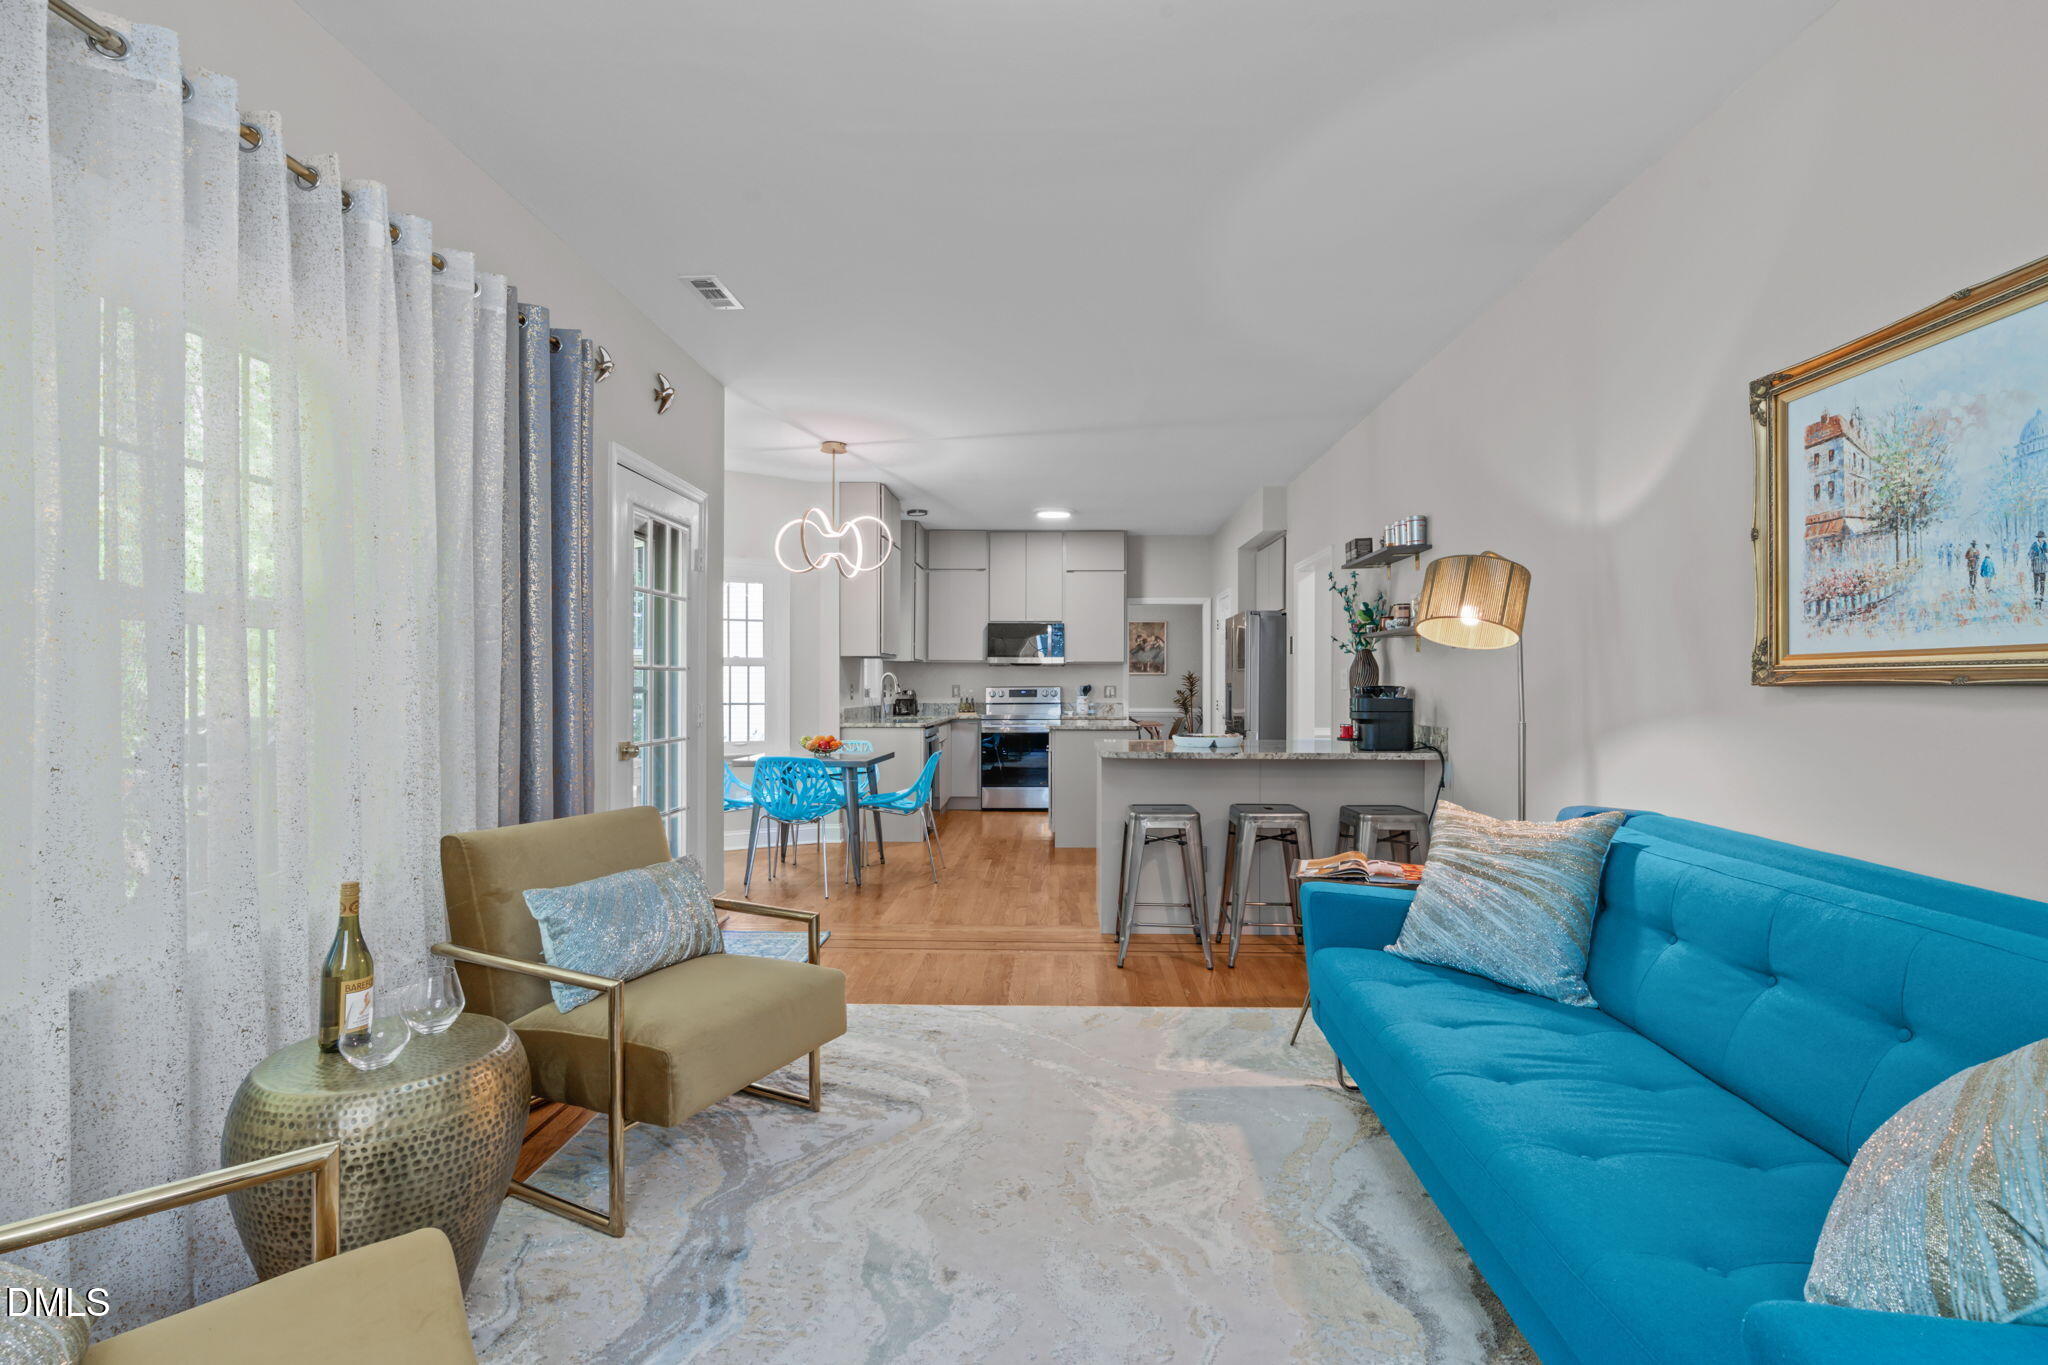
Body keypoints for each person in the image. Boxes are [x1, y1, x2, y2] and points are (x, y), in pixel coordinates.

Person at [2031, 531, 2048, 606]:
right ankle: (2036, 594)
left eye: (2042, 537)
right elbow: (2030, 553)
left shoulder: (2045, 544)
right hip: (2036, 565)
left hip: (2043, 566)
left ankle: (2041, 595)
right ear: (2038, 538)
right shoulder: (2034, 544)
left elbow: (2047, 553)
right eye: (2039, 537)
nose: (2041, 538)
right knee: (2035, 582)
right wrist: (2034, 555)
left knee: (2042, 582)